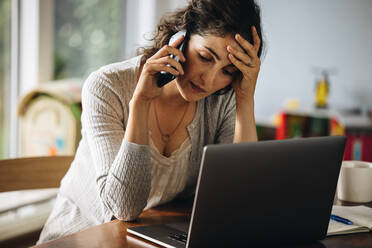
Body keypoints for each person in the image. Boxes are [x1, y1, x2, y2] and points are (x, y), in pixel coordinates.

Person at [37, 0, 264, 243]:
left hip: (144, 237)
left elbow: (239, 201)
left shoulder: (222, 100)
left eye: (228, 71)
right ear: (180, 38)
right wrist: (141, 103)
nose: (209, 80)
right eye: (205, 57)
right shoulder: (107, 87)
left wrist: (245, 98)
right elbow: (124, 209)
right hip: (78, 237)